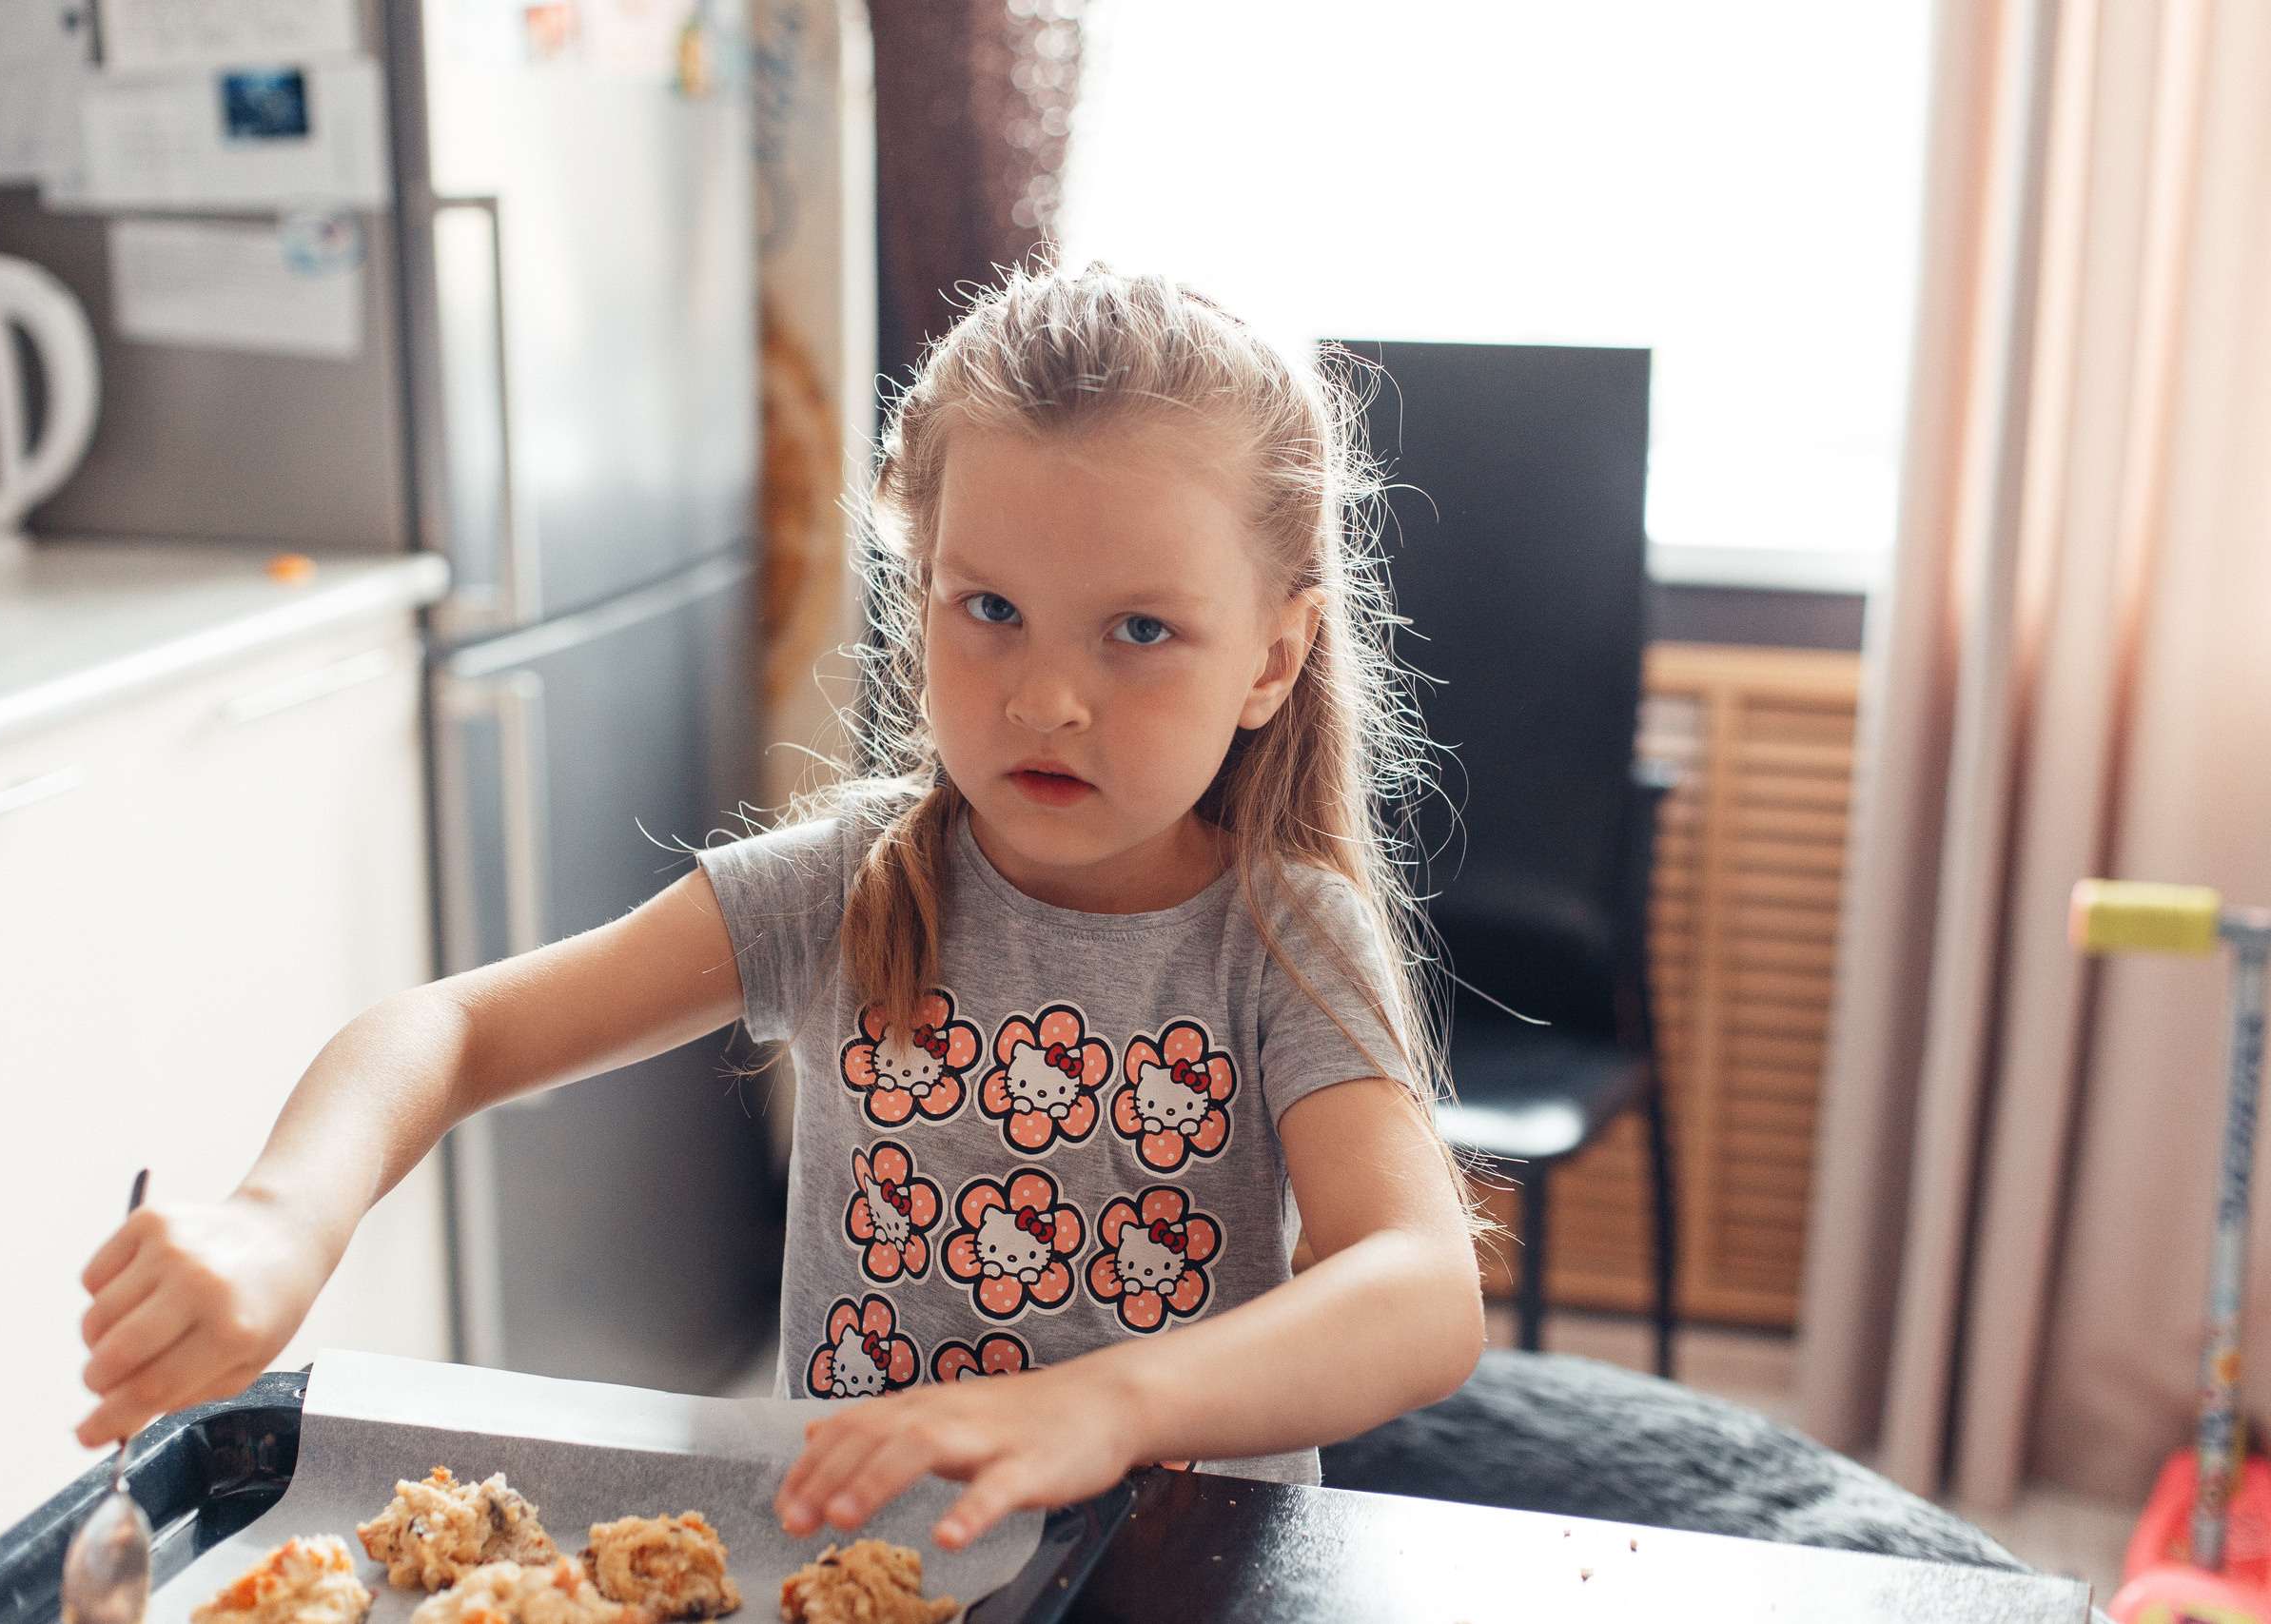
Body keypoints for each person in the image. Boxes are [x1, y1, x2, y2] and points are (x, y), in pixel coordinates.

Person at [73, 264, 1485, 1550]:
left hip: (1176, 1567)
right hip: (859, 1560)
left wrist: (1099, 1408)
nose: (1048, 698)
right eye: (988, 606)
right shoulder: (844, 886)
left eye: (1140, 631)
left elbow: (1419, 1286)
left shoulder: (1280, 937)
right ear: (916, 586)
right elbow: (447, 1033)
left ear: (1271, 657)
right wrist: (278, 1220)